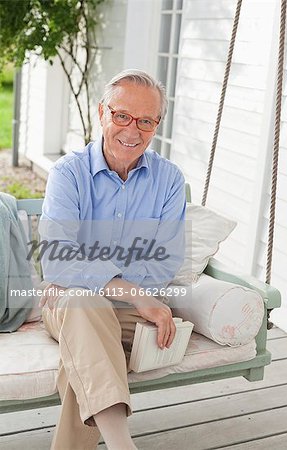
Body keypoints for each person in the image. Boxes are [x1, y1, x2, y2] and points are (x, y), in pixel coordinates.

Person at [38, 69, 186, 450]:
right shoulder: (68, 175)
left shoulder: (168, 180)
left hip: (131, 316)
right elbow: (56, 259)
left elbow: (164, 261)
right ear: (102, 112)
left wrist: (92, 277)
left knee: (86, 346)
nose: (132, 131)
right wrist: (131, 289)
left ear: (156, 125)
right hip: (73, 307)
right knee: (81, 303)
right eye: (122, 115)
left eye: (146, 121)